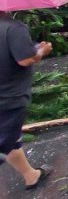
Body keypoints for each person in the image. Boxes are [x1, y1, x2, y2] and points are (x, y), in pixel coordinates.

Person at [0, 12, 53, 190]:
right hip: (9, 96)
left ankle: (31, 176)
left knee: (10, 139)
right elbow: (25, 59)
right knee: (5, 141)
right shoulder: (14, 27)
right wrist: (41, 51)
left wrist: (33, 46)